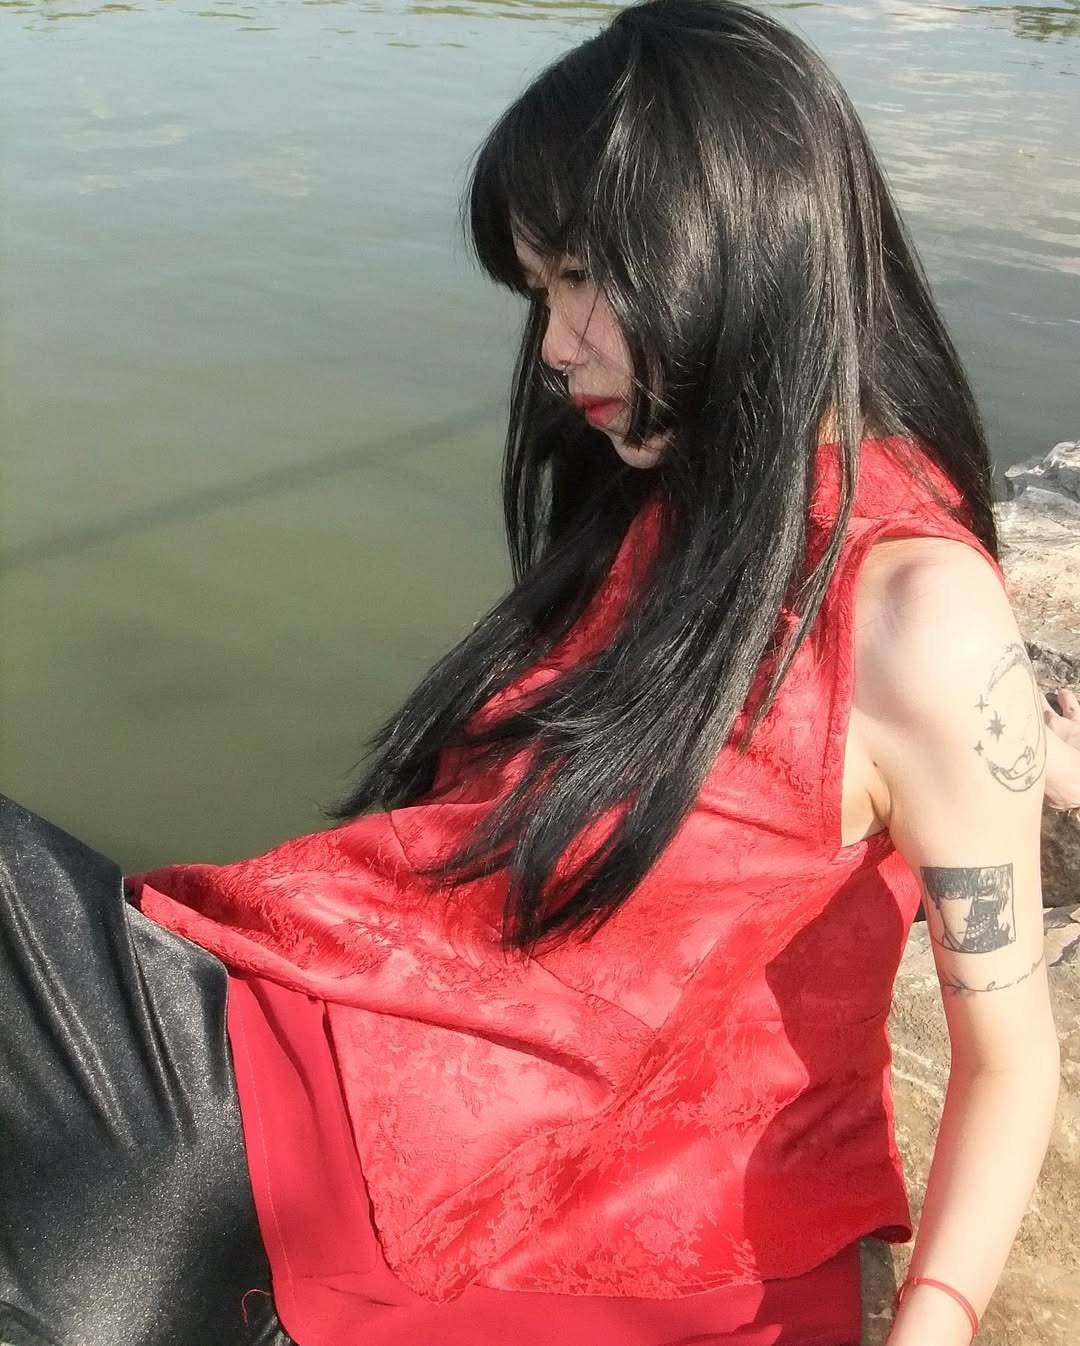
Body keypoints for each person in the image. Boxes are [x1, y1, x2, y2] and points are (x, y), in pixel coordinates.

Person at [2, 2, 1080, 1344]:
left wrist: (937, 1324)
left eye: (580, 281)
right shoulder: (684, 503)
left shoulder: (917, 615)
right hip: (290, 1083)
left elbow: (1009, 1060)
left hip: (311, 1167)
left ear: (739, 243)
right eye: (542, 292)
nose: (556, 343)